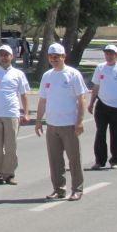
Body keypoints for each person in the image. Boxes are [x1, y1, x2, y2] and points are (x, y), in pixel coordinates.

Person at [35, 43, 87, 202]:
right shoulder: (47, 76)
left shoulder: (73, 74)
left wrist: (79, 121)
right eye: (51, 56)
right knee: (55, 159)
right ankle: (59, 189)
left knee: (73, 158)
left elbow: (82, 99)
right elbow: (42, 101)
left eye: (57, 56)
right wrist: (38, 121)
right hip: (52, 124)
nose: (54, 59)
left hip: (69, 123)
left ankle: (77, 189)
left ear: (64, 56)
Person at [87, 44, 117, 170]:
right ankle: (99, 161)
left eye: (111, 54)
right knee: (100, 133)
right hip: (102, 105)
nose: (109, 56)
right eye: (107, 54)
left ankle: (115, 160)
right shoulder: (100, 68)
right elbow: (96, 86)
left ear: (116, 55)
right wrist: (91, 103)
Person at [0, 45, 30, 184]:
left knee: (11, 146)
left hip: (12, 113)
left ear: (12, 56)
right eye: (1, 55)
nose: (4, 57)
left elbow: (24, 95)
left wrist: (26, 113)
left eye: (6, 55)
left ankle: (9, 173)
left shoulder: (18, 74)